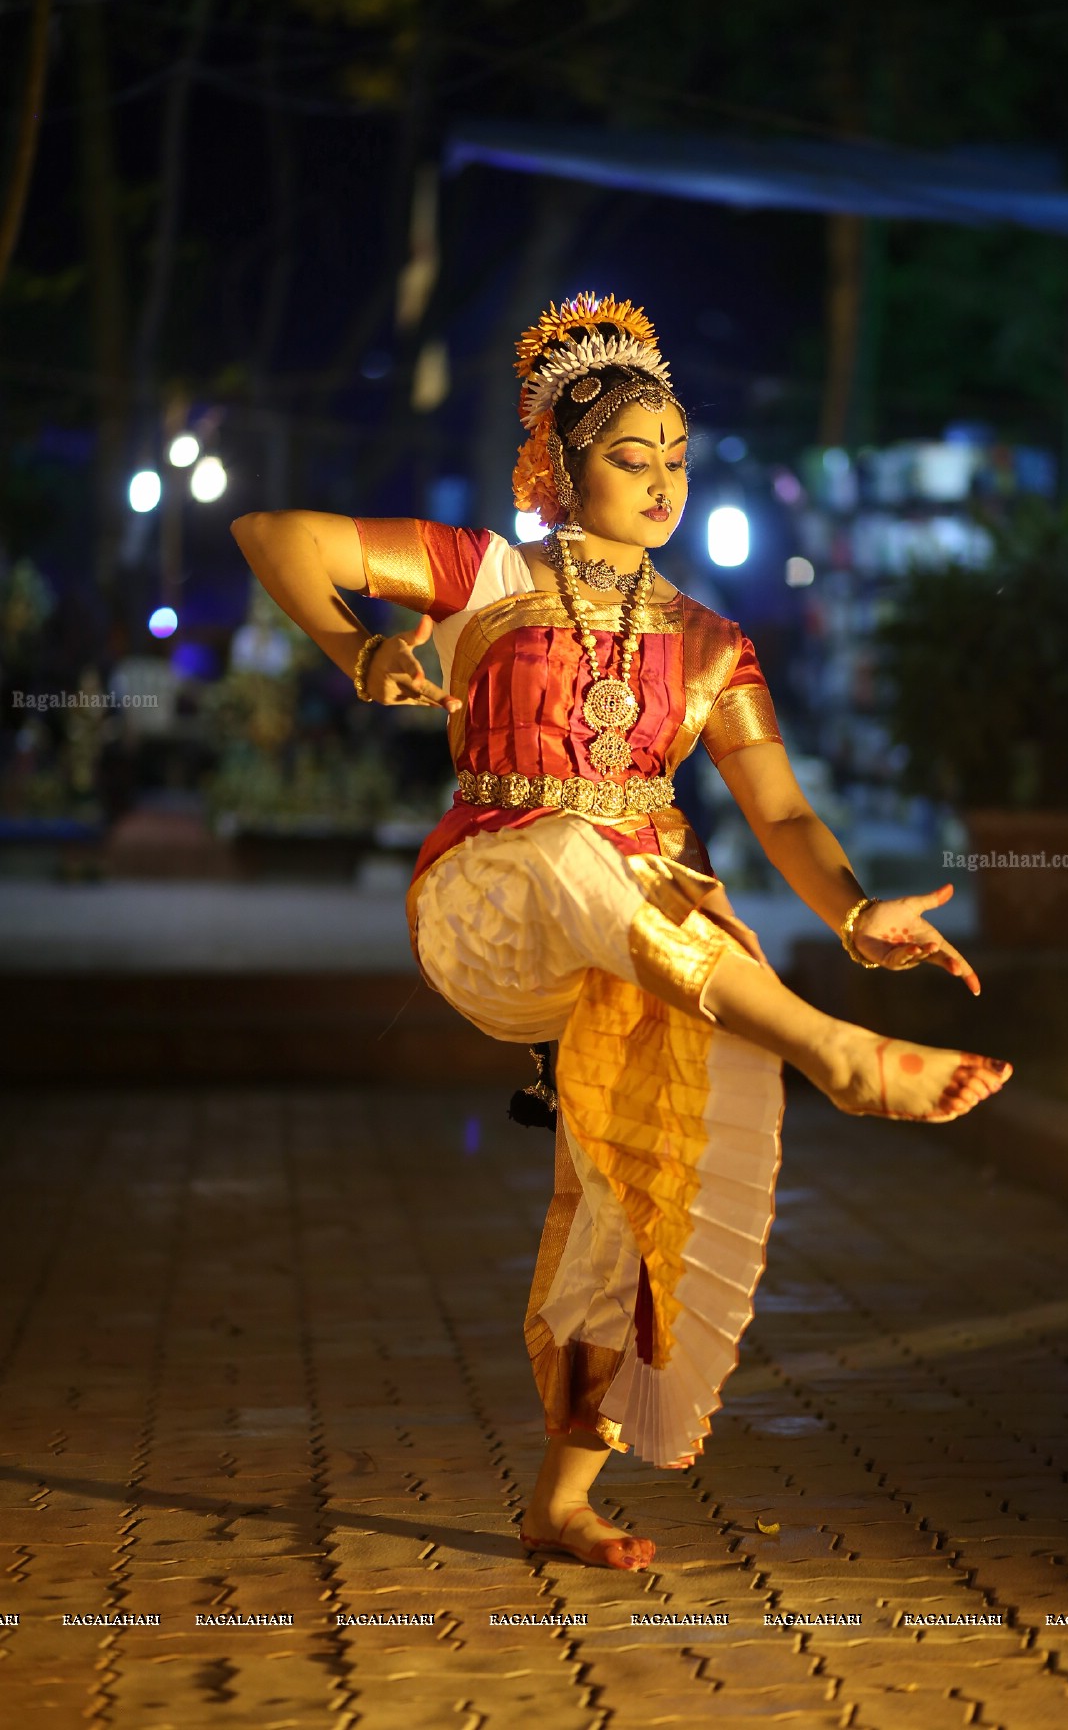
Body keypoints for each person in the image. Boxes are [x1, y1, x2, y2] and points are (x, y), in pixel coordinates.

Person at [231, 292, 1011, 1574]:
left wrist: (857, 909)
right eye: (630, 459)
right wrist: (355, 649)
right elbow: (278, 533)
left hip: (643, 936)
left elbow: (785, 814)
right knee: (570, 845)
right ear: (559, 466)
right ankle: (839, 1054)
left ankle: (563, 1497)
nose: (663, 484)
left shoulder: (711, 643)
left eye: (678, 461)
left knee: (638, 1203)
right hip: (493, 903)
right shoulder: (490, 575)